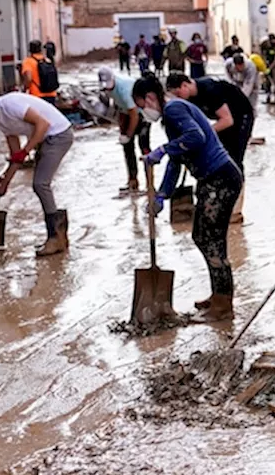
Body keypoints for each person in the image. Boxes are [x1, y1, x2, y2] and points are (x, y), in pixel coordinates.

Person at [136, 77, 242, 320]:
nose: (143, 111)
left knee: (210, 239)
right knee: (204, 236)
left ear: (151, 97)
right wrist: (162, 194)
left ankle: (223, 305)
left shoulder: (173, 109)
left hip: (221, 178)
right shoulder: (171, 118)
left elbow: (196, 137)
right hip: (211, 179)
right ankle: (219, 295)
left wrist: (163, 150)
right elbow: (178, 160)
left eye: (142, 104)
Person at [0, 88, 74, 256]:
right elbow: (16, 156)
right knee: (40, 184)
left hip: (59, 135)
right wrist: (4, 184)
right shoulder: (1, 122)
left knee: (40, 184)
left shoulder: (10, 104)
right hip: (46, 139)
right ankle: (60, 237)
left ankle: (55, 238)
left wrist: (26, 149)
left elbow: (43, 124)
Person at [165, 72, 255, 223]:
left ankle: (236, 210)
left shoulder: (210, 90)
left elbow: (227, 120)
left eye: (178, 93)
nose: (178, 98)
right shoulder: (189, 98)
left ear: (185, 85)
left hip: (240, 118)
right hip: (224, 120)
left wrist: (204, 133)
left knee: (234, 159)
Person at [99, 67, 148, 196]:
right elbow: (120, 109)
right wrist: (122, 132)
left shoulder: (124, 89)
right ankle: (133, 181)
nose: (107, 88)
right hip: (127, 112)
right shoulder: (107, 89)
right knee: (127, 148)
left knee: (144, 147)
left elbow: (134, 115)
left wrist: (129, 134)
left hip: (142, 113)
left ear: (113, 79)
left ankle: (150, 184)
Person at [20, 40, 59, 105]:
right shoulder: (47, 60)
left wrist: (24, 89)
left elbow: (28, 78)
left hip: (37, 95)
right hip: (51, 94)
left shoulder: (28, 62)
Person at [260, 34, 275, 99]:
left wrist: (270, 68)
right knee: (267, 80)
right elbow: (262, 54)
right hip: (267, 63)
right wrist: (264, 64)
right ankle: (268, 94)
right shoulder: (264, 44)